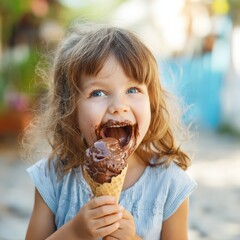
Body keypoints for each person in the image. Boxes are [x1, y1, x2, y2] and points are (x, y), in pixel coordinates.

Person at [24, 22, 197, 240]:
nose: (119, 105)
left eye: (133, 89)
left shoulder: (170, 185)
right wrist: (74, 233)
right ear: (70, 108)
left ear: (152, 102)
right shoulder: (53, 177)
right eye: (98, 93)